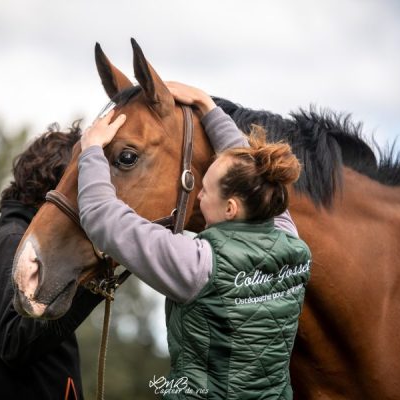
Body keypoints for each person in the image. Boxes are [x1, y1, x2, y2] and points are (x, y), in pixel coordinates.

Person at [77, 82, 312, 399]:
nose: (198, 195)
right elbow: (252, 172)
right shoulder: (293, 245)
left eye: (206, 190)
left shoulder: (199, 264)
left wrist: (91, 149)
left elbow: (101, 217)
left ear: (231, 208)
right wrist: (206, 105)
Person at [0, 123, 103, 400]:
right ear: (58, 185)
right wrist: (91, 282)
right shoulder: (14, 244)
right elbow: (15, 342)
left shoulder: (4, 242)